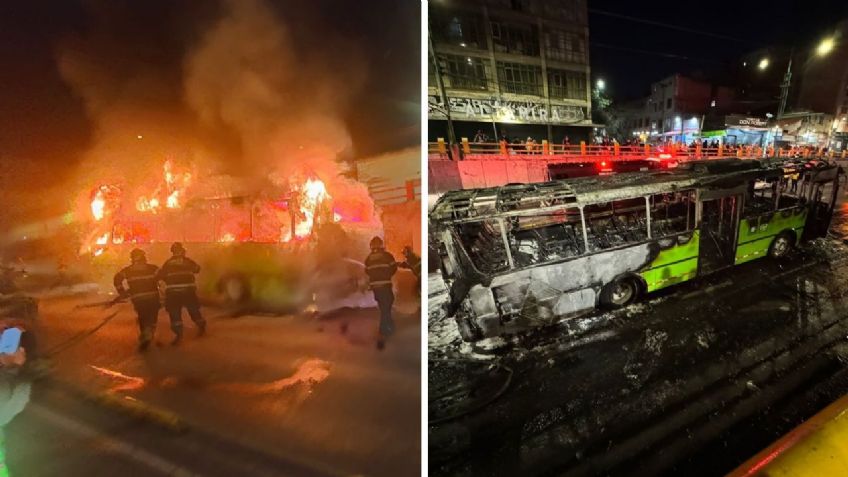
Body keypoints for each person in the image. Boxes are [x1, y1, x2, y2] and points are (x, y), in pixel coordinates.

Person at [157, 243, 206, 345]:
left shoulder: (168, 263)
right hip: (188, 291)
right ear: (182, 251)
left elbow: (160, 275)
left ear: (172, 252)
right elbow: (197, 269)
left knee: (174, 313)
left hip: (173, 293)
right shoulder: (188, 261)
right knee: (193, 310)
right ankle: (201, 326)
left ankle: (179, 334)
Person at [114, 249, 160, 351]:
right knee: (152, 316)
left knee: (142, 316)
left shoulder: (127, 270)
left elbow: (117, 278)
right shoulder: (153, 268)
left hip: (138, 298)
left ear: (132, 258)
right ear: (144, 257)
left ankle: (145, 334)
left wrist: (122, 292)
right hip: (153, 297)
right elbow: (162, 278)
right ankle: (149, 333)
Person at [364, 236, 397, 349]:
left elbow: (367, 271)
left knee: (383, 305)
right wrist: (386, 275)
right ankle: (384, 327)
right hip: (385, 284)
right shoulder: (387, 256)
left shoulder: (368, 258)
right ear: (381, 245)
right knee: (388, 303)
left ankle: (388, 324)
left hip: (375, 287)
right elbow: (394, 268)